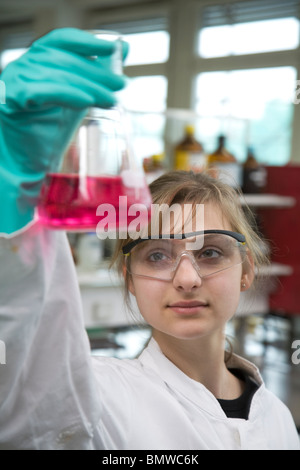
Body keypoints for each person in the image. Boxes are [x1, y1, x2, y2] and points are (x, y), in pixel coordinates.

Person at [0, 28, 299, 451]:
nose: (187, 278)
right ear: (129, 277)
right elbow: (21, 411)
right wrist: (10, 206)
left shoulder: (280, 419)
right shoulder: (95, 398)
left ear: (248, 270)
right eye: (157, 255)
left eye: (211, 252)